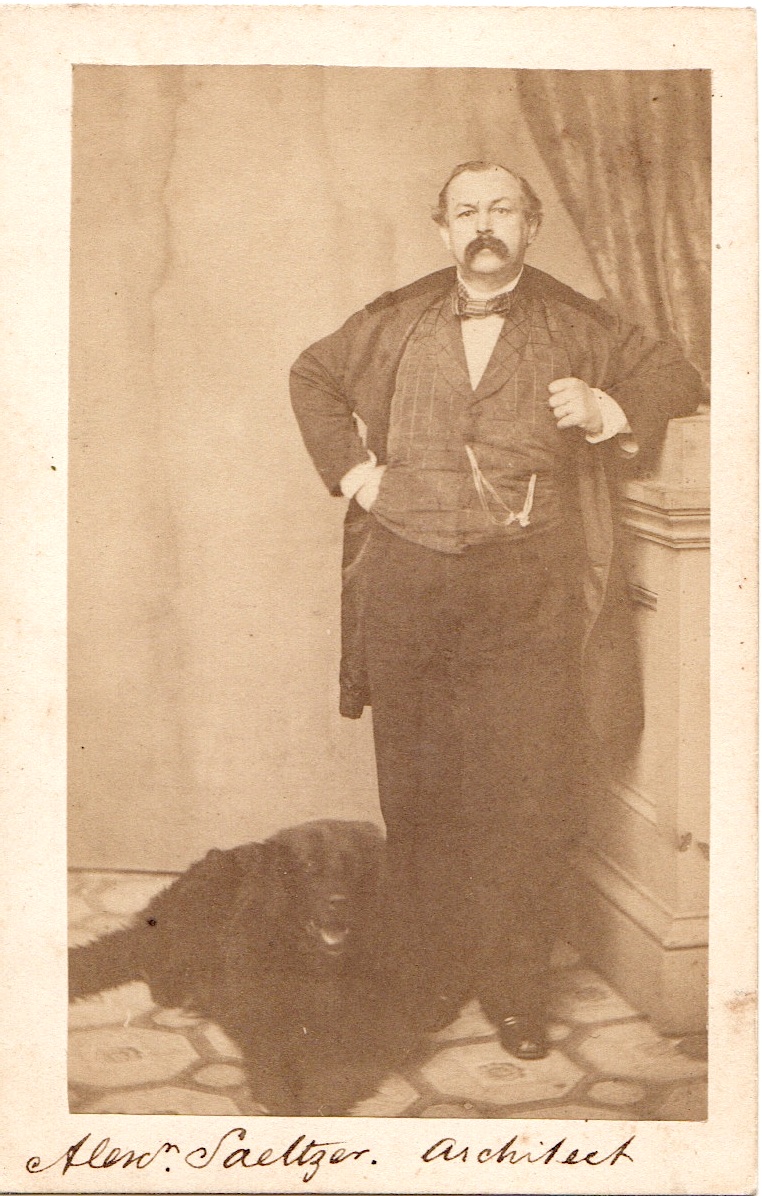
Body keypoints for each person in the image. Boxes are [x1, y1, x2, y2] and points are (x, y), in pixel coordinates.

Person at [290, 161, 705, 1060]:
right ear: (443, 229)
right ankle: (434, 973)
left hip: (529, 586)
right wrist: (358, 475)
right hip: (409, 582)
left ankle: (516, 988)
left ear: (531, 225)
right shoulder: (395, 317)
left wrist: (606, 406)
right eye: (467, 211)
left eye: (503, 210)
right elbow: (312, 375)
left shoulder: (578, 319)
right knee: (418, 787)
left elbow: (675, 373)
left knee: (527, 792)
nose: (485, 225)